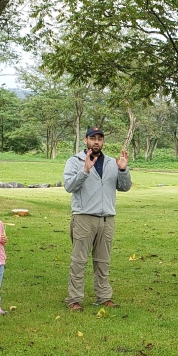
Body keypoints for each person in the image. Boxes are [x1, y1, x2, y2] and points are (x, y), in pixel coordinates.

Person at [63, 126, 132, 312]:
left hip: (107, 219)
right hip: (84, 217)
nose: (96, 142)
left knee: (103, 261)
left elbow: (124, 187)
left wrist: (123, 170)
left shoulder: (111, 162)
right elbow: (69, 186)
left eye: (100, 138)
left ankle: (104, 296)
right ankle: (74, 299)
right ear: (85, 140)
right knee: (79, 260)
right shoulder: (74, 161)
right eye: (93, 138)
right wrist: (85, 170)